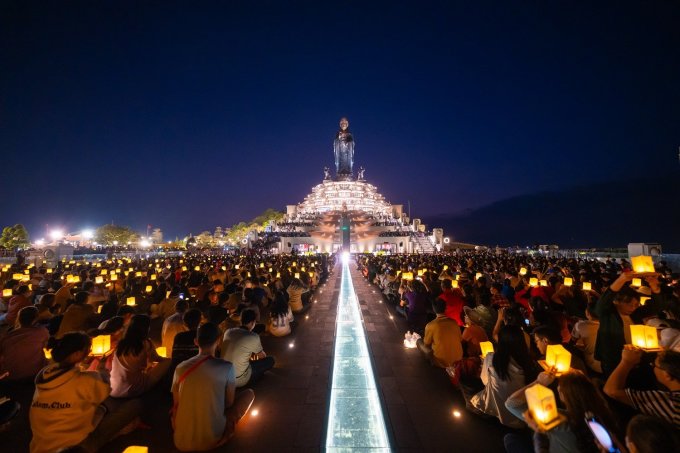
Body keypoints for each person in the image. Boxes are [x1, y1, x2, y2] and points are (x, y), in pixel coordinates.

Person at [29, 332, 141, 453]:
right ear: (77, 354)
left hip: (40, 446)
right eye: (88, 349)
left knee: (98, 408)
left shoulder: (44, 378)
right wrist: (102, 368)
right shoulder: (87, 380)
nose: (90, 351)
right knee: (135, 405)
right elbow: (106, 388)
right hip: (75, 448)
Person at [171, 323, 255, 451]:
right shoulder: (227, 367)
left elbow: (177, 402)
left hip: (181, 441)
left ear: (196, 341)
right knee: (249, 394)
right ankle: (226, 431)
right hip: (213, 439)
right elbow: (229, 403)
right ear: (218, 341)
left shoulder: (180, 368)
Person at [505, 370, 620, 453]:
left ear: (563, 394)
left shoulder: (558, 420)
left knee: (510, 439)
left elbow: (512, 403)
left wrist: (539, 382)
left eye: (559, 386)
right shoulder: (604, 414)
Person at [468, 325, 538, 428]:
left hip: (500, 408)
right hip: (522, 415)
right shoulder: (530, 363)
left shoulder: (492, 358)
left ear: (501, 341)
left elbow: (484, 380)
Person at [603, 347, 680, 428]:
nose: (653, 367)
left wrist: (626, 362)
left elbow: (611, 391)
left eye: (654, 365)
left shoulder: (670, 402)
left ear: (667, 375)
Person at [110, 315, 172, 398]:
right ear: (145, 328)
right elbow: (157, 359)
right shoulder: (145, 343)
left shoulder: (121, 343)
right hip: (132, 389)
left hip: (113, 390)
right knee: (168, 361)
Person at [221, 309, 274, 388]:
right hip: (240, 380)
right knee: (270, 360)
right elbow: (263, 356)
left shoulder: (228, 332)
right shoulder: (253, 336)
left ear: (241, 320)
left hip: (225, 378)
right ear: (253, 322)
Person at [0, 306, 49, 381]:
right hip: (34, 375)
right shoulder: (42, 332)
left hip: (11, 375)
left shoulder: (7, 336)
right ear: (35, 319)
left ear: (19, 319)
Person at [416, 298, 463, 368]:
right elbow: (460, 339)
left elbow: (426, 344)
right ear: (445, 308)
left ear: (433, 309)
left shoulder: (431, 325)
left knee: (419, 341)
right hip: (458, 361)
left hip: (440, 362)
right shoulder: (454, 322)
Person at [570, 302, 602, 374]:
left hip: (593, 365)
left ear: (587, 313)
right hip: (612, 364)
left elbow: (573, 340)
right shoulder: (610, 324)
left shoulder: (580, 325)